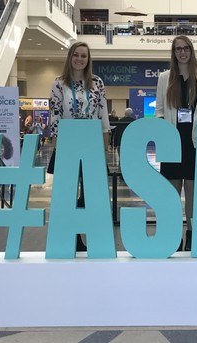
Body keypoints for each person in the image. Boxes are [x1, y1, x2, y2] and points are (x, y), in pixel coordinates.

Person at [155, 35, 197, 251]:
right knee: (172, 192)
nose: (182, 52)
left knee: (192, 192)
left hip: (195, 142)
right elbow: (160, 111)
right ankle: (173, 235)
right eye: (178, 49)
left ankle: (191, 233)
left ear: (191, 50)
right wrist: (163, 137)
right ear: (173, 52)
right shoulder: (164, 78)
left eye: (186, 48)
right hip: (172, 140)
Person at [49, 41, 110, 251]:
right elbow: (54, 116)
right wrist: (58, 146)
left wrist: (104, 146)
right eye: (76, 55)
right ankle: (71, 236)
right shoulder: (58, 84)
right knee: (67, 193)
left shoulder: (97, 83)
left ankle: (90, 234)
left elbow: (103, 116)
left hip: (91, 142)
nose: (80, 59)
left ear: (88, 59)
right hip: (68, 143)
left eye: (84, 56)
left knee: (91, 193)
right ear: (70, 57)